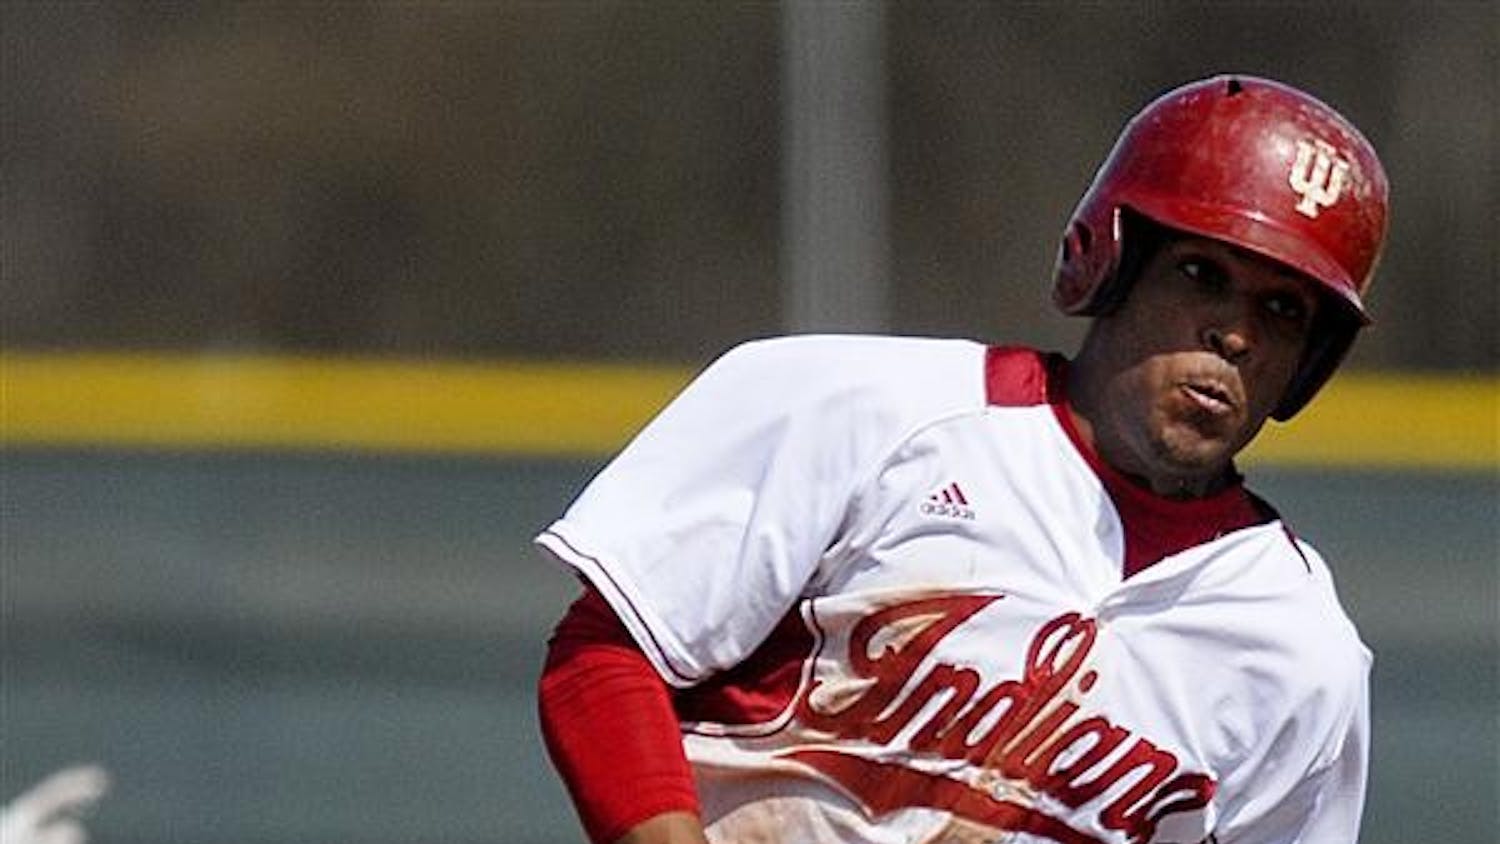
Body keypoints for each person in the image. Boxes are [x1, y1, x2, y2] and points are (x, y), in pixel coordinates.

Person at [534, 74, 1389, 844]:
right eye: (1200, 273)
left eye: (1281, 308)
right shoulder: (868, 410)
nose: (1234, 333)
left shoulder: (1299, 654)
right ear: (1113, 264)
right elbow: (607, 655)